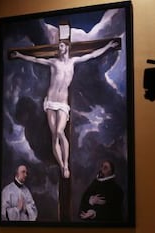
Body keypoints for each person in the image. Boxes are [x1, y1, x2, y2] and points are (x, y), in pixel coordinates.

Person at [10, 40, 119, 179]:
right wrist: (20, 55)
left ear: (67, 47)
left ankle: (66, 164)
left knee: (60, 131)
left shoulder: (73, 61)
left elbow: (92, 55)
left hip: (62, 103)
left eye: (61, 45)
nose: (59, 48)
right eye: (59, 46)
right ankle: (62, 166)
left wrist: (108, 46)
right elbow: (36, 59)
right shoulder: (54, 62)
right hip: (51, 102)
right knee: (54, 136)